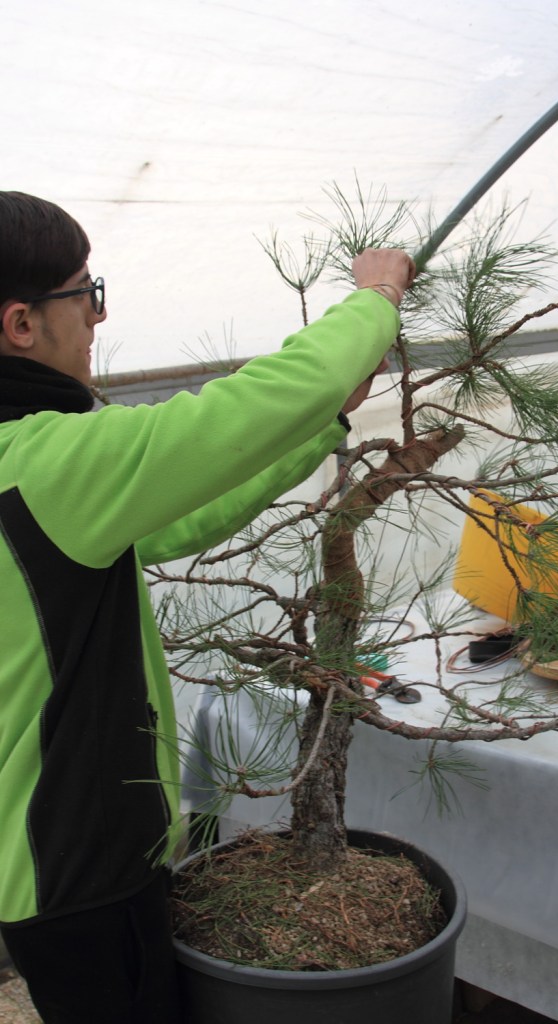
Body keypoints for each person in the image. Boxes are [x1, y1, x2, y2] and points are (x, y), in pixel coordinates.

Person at [0, 190, 416, 1023]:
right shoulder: (41, 462)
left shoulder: (33, 468)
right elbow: (244, 408)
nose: (98, 318)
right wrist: (375, 298)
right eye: (86, 295)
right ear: (21, 324)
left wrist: (325, 423)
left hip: (48, 852)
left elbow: (172, 525)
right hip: (75, 860)